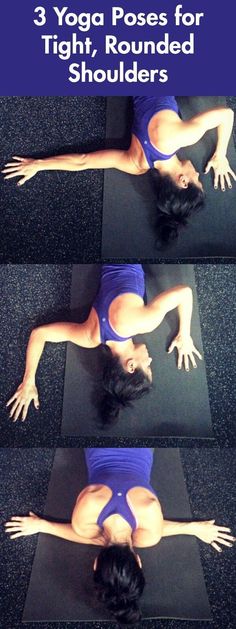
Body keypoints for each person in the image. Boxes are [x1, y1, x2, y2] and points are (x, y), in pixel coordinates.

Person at [5, 448, 235, 624]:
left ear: (138, 561)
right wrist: (43, 525)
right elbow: (87, 536)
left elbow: (154, 531)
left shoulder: (149, 515)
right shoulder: (87, 510)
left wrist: (193, 528)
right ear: (95, 563)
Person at [2, 97, 235, 243]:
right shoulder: (136, 164)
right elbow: (83, 161)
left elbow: (227, 114)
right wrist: (39, 165)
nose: (198, 174)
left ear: (183, 181)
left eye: (198, 180)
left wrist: (221, 155)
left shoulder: (182, 137)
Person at [6, 264, 202, 425]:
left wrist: (185, 335)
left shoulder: (143, 323)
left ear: (131, 365)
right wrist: (29, 380)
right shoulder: (90, 337)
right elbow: (40, 334)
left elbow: (184, 293)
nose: (150, 359)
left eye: (148, 366)